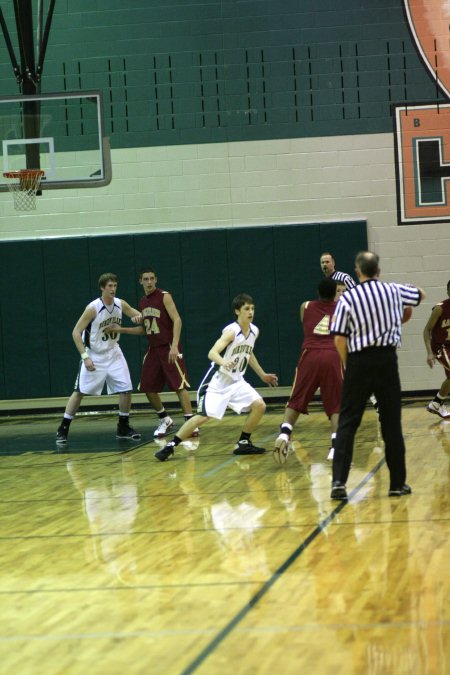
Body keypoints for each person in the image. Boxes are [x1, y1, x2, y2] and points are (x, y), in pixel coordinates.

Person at [329, 251, 426, 500]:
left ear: (357, 272)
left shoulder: (348, 298)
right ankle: (396, 484)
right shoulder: (392, 290)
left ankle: (338, 483)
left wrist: (349, 363)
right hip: (386, 361)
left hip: (358, 361)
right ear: (379, 272)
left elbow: (339, 337)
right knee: (392, 423)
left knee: (348, 422)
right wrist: (397, 313)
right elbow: (420, 295)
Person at [154, 293, 278, 461]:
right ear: (237, 311)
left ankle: (243, 442)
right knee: (203, 417)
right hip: (218, 381)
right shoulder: (231, 331)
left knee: (260, 405)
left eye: (252, 308)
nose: (251, 312)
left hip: (237, 381)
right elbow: (212, 353)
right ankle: (170, 446)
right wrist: (224, 362)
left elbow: (248, 353)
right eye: (246, 309)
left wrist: (262, 374)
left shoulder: (254, 331)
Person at [107, 268, 197, 438]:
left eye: (151, 279)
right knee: (147, 387)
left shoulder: (164, 296)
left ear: (156, 280)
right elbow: (144, 330)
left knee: (179, 385)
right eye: (145, 279)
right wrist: (122, 329)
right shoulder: (142, 302)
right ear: (140, 281)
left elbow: (177, 319)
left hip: (168, 345)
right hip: (153, 348)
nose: (149, 282)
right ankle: (165, 419)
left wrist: (175, 345)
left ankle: (190, 422)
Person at [55, 273, 142, 444]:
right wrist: (85, 357)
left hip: (114, 352)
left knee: (126, 389)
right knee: (79, 392)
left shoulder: (120, 303)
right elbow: (75, 332)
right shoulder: (93, 308)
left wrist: (139, 317)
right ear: (102, 288)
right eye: (109, 286)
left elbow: (137, 316)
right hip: (95, 354)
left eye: (115, 286)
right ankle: (63, 427)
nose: (113, 289)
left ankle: (123, 426)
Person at [273, 278, 343, 464]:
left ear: (318, 292)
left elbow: (306, 324)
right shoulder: (344, 309)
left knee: (296, 397)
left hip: (309, 355)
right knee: (337, 404)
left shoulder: (305, 306)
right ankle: (336, 447)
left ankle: (285, 433)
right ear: (335, 292)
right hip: (332, 355)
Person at [423, 279, 450, 419]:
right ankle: (436, 403)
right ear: (447, 291)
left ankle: (436, 404)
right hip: (441, 347)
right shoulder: (440, 308)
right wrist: (429, 352)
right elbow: (427, 330)